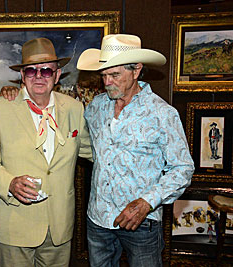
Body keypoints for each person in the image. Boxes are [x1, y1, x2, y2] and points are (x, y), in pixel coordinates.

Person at [77, 34, 195, 266]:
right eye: (104, 75)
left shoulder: (162, 114)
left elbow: (182, 169)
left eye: (114, 75)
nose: (107, 82)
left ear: (136, 70)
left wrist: (146, 202)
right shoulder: (96, 107)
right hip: (98, 220)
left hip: (142, 224)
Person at [0, 37, 92, 267]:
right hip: (14, 227)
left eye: (46, 71)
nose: (38, 76)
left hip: (59, 228)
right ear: (22, 76)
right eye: (31, 71)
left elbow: (94, 152)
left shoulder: (73, 108)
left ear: (58, 75)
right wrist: (9, 183)